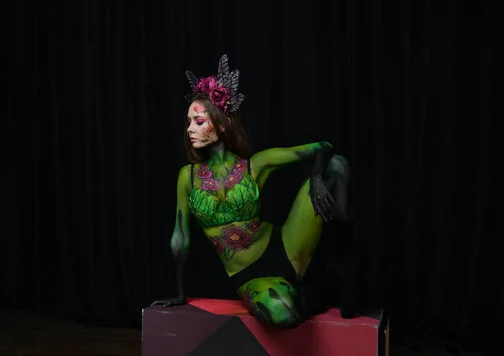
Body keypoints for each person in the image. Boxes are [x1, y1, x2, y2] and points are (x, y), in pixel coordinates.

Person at [152, 54, 358, 329]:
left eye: (198, 121)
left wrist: (317, 177)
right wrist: (180, 292)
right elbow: (180, 238)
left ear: (222, 124)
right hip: (247, 275)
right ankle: (319, 293)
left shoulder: (255, 165)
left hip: (285, 246)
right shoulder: (187, 177)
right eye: (189, 122)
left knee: (337, 165)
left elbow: (322, 146)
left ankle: (342, 260)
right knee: (283, 312)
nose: (190, 129)